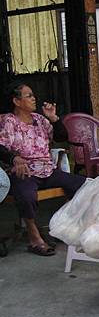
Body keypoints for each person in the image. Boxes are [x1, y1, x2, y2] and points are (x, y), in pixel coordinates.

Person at [0, 83, 86, 256]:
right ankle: (34, 237)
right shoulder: (9, 121)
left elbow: (62, 137)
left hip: (47, 170)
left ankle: (65, 226)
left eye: (33, 95)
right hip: (23, 172)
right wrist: (14, 158)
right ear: (16, 101)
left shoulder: (39, 119)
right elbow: (0, 147)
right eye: (29, 95)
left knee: (84, 184)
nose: (34, 98)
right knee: (26, 195)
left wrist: (54, 118)